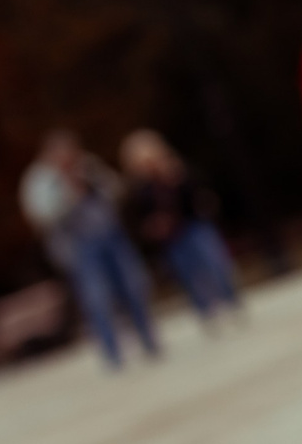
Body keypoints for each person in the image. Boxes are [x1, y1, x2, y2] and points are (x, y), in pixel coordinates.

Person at [19, 128, 159, 367]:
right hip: (80, 247)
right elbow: (42, 216)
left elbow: (116, 189)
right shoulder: (40, 179)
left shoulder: (88, 165)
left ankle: (148, 340)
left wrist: (92, 182)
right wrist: (68, 192)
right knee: (97, 299)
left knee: (134, 286)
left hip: (111, 237)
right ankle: (112, 353)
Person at [119, 129, 242, 327]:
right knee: (188, 276)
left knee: (216, 264)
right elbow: (135, 218)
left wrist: (177, 180)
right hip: (171, 238)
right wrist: (151, 227)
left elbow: (200, 191)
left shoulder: (176, 170)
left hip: (194, 224)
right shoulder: (138, 189)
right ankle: (206, 311)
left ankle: (231, 301)